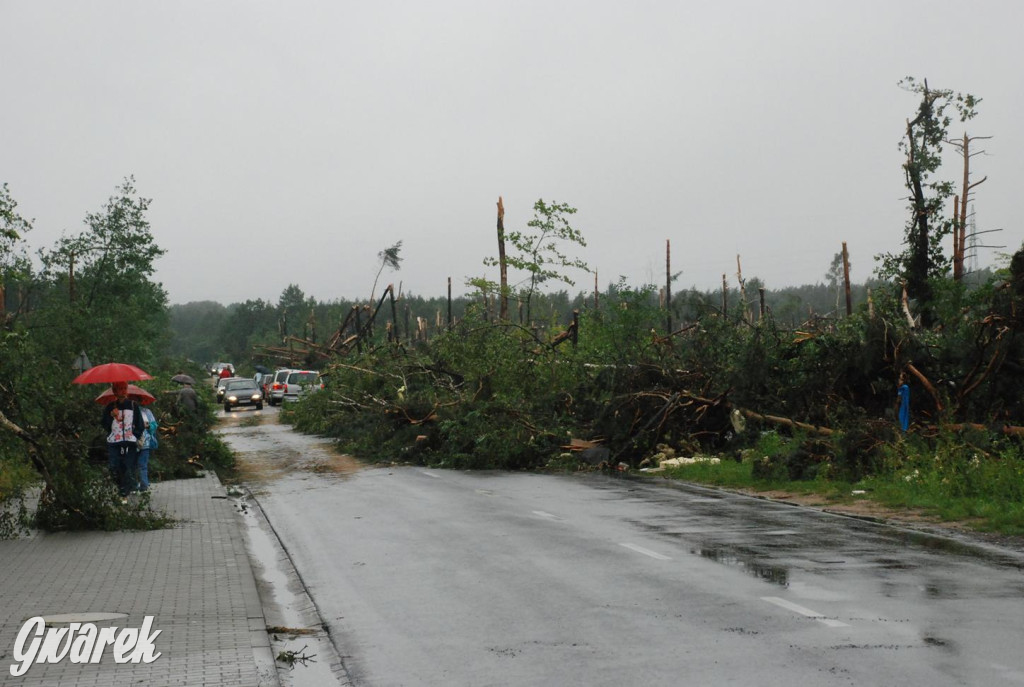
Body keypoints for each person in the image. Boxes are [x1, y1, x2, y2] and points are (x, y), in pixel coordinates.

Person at [101, 381, 146, 502]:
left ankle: (124, 492)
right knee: (114, 466)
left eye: (124, 388)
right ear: (115, 391)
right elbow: (104, 425)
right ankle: (121, 487)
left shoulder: (133, 405)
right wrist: (111, 416)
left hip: (130, 442)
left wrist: (134, 436)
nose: (123, 391)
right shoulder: (110, 406)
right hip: (114, 442)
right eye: (120, 388)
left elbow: (140, 424)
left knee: (128, 466)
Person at [136, 404, 158, 492]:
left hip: (145, 442)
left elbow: (154, 425)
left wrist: (148, 426)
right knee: (131, 465)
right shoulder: (126, 411)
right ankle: (133, 485)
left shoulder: (146, 412)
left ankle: (144, 485)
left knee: (142, 465)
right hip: (130, 443)